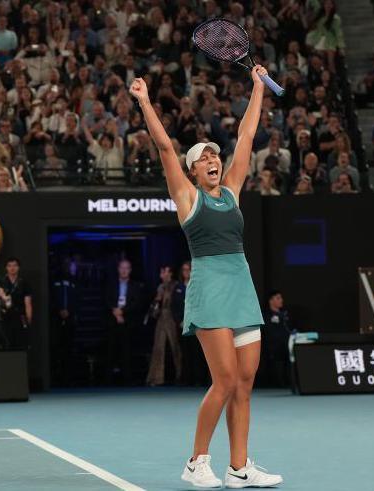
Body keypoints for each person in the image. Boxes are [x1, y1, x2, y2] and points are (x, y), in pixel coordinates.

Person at [130, 68, 283, 488]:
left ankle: (239, 467)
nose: (213, 160)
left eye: (215, 155)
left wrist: (256, 89)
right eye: (204, 158)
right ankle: (196, 460)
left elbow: (248, 138)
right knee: (226, 379)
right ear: (192, 170)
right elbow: (164, 147)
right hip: (210, 289)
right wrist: (144, 101)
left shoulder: (232, 189)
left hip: (241, 286)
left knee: (246, 381)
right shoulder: (187, 196)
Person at [103, 259, 144, 385]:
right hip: (112, 322)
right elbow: (106, 300)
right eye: (122, 267)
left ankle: (128, 380)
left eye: (127, 268)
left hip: (128, 322)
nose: (124, 270)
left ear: (130, 270)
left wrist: (122, 312)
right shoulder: (111, 284)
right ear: (118, 269)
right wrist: (115, 311)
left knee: (127, 351)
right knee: (110, 351)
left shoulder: (135, 286)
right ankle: (108, 380)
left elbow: (136, 303)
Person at [145, 265, 182, 386]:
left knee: (176, 347)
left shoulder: (176, 286)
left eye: (164, 272)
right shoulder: (160, 287)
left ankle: (180, 376)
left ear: (170, 273)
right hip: (161, 318)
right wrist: (157, 300)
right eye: (161, 272)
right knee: (158, 348)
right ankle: (156, 377)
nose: (162, 274)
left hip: (173, 318)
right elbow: (155, 307)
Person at [51, 259, 78, 386]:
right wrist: (59, 310)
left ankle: (70, 377)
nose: (68, 268)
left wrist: (70, 312)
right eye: (66, 265)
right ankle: (57, 377)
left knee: (69, 348)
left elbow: (78, 299)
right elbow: (51, 298)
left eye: (70, 266)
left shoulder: (74, 282)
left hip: (71, 320)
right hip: (56, 321)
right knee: (57, 348)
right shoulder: (54, 281)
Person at [261, 291, 293, 388]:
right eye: (278, 298)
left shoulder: (285, 315)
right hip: (273, 349)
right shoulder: (266, 316)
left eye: (281, 298)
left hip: (288, 347)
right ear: (271, 301)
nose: (281, 300)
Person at [2, 257, 33, 349]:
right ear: (6, 268)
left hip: (20, 316)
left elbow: (28, 303)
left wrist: (29, 319)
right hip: (5, 316)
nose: (12, 268)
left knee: (21, 343)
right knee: (6, 343)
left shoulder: (24, 283)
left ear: (19, 267)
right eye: (9, 266)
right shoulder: (1, 282)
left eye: (15, 265)